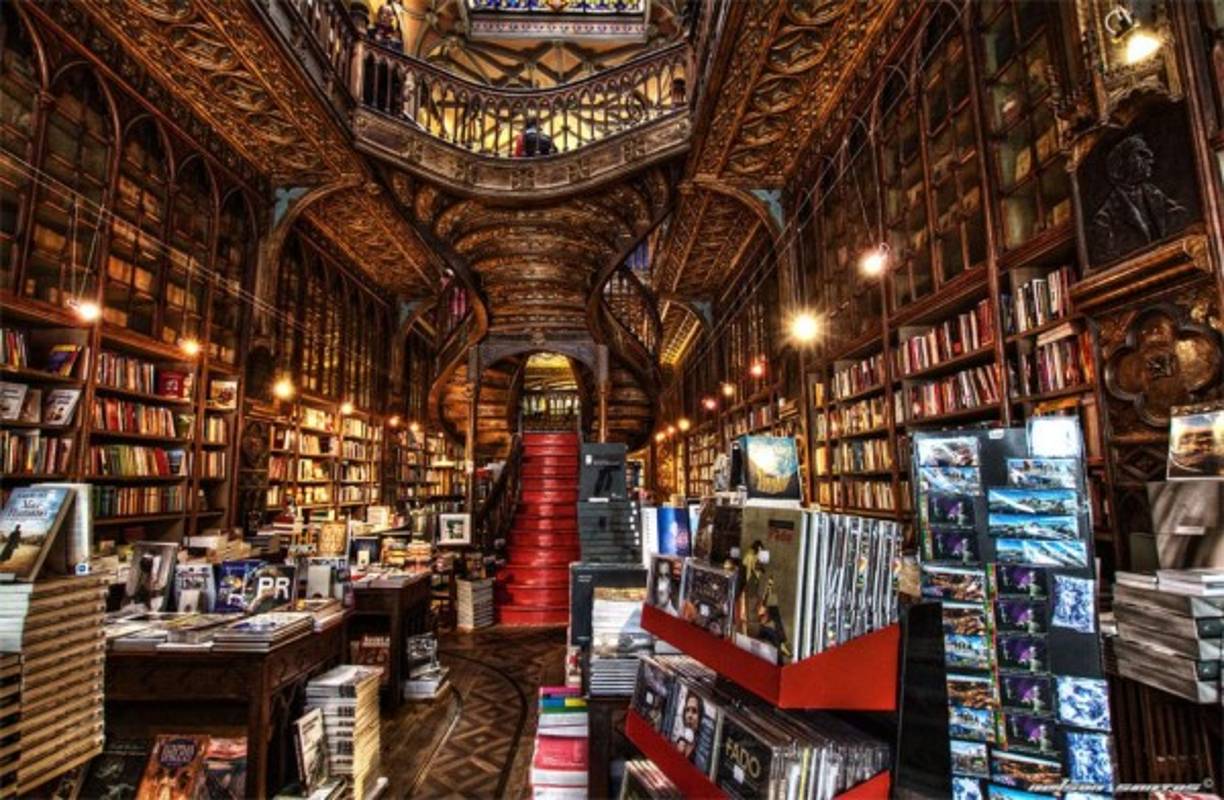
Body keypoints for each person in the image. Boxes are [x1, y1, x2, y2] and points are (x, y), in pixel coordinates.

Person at [1092, 134, 1187, 261]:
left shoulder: (1154, 194)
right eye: (1141, 155)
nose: (1150, 160)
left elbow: (1182, 216)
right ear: (1123, 162)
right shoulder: (1105, 218)